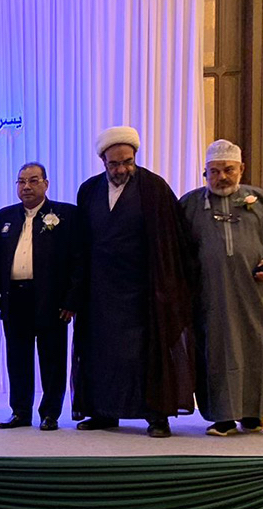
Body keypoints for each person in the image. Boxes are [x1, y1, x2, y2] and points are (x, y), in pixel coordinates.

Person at [73, 126, 195, 438]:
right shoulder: (89, 190)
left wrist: (169, 287)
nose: (122, 169)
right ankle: (103, 412)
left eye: (128, 162)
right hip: (100, 291)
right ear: (103, 161)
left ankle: (156, 416)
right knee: (102, 353)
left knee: (145, 354)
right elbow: (81, 244)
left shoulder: (154, 188)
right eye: (115, 164)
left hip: (143, 290)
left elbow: (173, 239)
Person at [180, 139, 263, 436]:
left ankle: (253, 414)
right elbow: (177, 249)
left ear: (241, 169)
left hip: (251, 293)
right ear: (205, 173)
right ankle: (223, 417)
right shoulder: (190, 204)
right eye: (214, 172)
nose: (222, 177)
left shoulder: (259, 200)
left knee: (255, 347)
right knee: (215, 351)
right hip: (209, 294)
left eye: (228, 170)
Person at [0, 163, 82, 432]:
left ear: (46, 184)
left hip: (51, 300)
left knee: (52, 359)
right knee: (17, 359)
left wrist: (71, 300)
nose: (26, 187)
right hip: (14, 298)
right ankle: (20, 412)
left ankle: (50, 413)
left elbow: (78, 261)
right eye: (21, 182)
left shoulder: (65, 215)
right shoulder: (4, 216)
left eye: (33, 181)